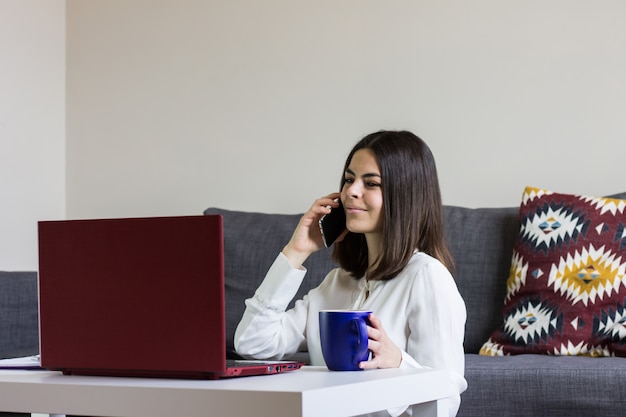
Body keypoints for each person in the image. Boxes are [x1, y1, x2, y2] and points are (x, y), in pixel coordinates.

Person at [234, 130, 467, 417]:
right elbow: (252, 344)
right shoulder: (335, 284)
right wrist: (296, 251)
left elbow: (446, 396)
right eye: (348, 179)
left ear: (404, 195)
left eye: (371, 183)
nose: (351, 192)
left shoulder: (427, 277)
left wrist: (399, 363)